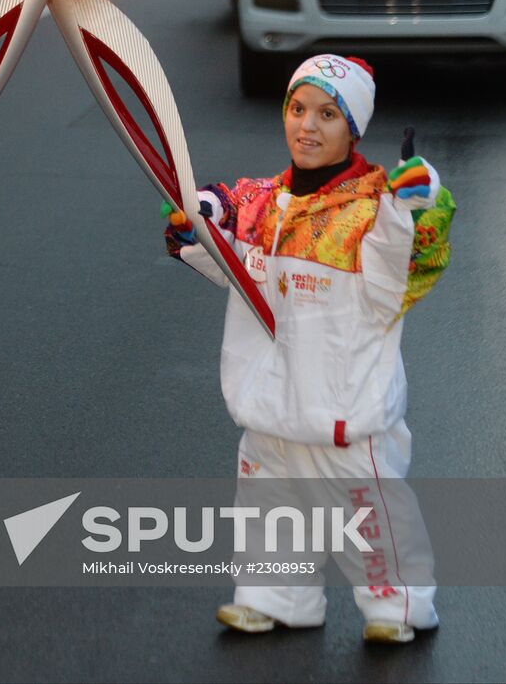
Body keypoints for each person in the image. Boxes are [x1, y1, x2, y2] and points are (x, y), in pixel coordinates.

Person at [161, 55, 454, 644]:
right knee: (270, 512)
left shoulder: (375, 210)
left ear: (354, 128)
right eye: (298, 109)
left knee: (371, 520)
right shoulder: (263, 203)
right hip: (270, 406)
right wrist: (196, 218)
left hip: (345, 413)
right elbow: (218, 212)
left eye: (327, 114)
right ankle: (274, 599)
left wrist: (422, 200)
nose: (308, 126)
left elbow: (413, 252)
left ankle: (400, 608)